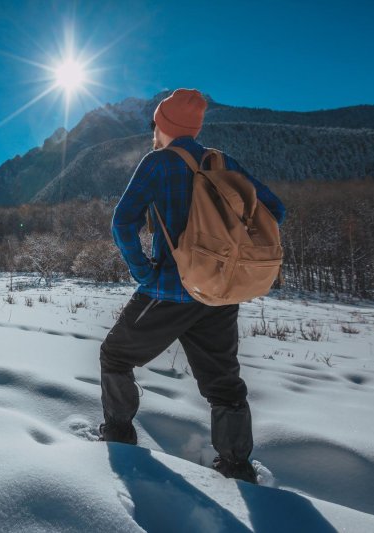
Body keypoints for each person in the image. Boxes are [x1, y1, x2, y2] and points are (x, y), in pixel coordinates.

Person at [98, 88, 286, 483]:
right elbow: (275, 210)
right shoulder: (222, 161)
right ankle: (236, 466)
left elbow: (122, 221)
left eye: (156, 123)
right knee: (223, 383)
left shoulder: (158, 163)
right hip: (219, 293)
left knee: (115, 356)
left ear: (162, 126)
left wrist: (143, 271)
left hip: (170, 289)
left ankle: (118, 434)